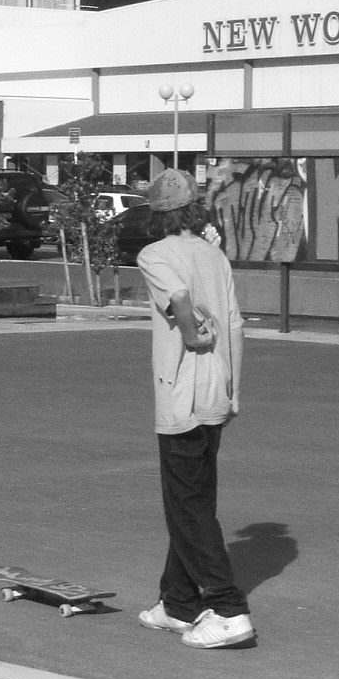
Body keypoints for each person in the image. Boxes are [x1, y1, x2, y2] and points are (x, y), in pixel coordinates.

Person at [133, 169, 254, 650]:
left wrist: (187, 331)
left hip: (180, 391)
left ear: (156, 213)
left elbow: (179, 299)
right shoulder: (214, 255)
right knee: (195, 498)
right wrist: (234, 390)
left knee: (186, 505)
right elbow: (237, 325)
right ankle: (178, 603)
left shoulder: (154, 255)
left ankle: (227, 608)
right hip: (217, 390)